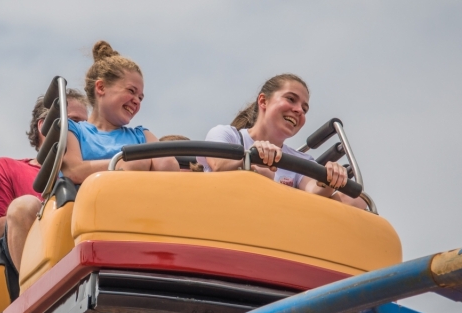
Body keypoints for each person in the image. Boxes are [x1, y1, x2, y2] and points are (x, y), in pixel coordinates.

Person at [201, 74, 368, 210]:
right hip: (226, 211)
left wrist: (329, 179)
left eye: (304, 109)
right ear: (263, 101)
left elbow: (313, 190)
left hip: (279, 227)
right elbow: (219, 165)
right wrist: (252, 160)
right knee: (263, 173)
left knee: (356, 200)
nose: (298, 110)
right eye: (291, 99)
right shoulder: (227, 135)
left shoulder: (302, 162)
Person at [0, 89, 90, 288]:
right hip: (34, 258)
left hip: (80, 252)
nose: (83, 130)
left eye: (86, 125)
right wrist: (45, 210)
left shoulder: (90, 170)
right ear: (44, 127)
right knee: (23, 206)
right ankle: (36, 289)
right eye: (75, 122)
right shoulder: (9, 168)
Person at [61, 41, 179, 183]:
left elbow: (169, 167)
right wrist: (123, 164)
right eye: (131, 91)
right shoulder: (73, 129)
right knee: (136, 162)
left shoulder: (143, 136)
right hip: (84, 201)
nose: (137, 100)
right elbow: (72, 171)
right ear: (101, 87)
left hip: (140, 202)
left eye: (140, 98)